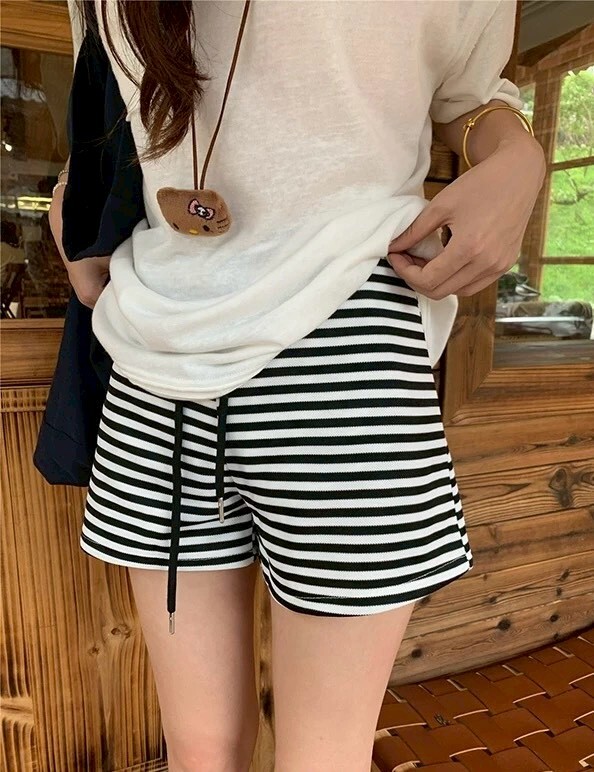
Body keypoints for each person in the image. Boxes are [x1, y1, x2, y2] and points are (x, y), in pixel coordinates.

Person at [52, 1, 545, 770]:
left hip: (343, 335)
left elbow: (469, 93)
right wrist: (75, 196)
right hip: (155, 348)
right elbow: (119, 92)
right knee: (198, 750)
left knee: (323, 755)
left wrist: (519, 157)